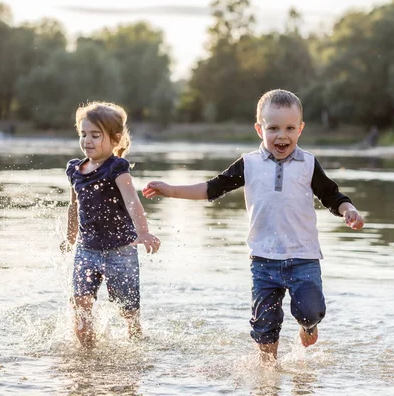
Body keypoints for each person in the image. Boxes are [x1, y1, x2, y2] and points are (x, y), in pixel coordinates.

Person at [142, 89, 363, 360]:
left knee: (310, 310)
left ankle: (308, 326)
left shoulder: (308, 163)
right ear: (260, 129)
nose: (282, 136)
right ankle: (267, 375)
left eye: (290, 128)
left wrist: (348, 209)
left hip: (303, 256)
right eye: (273, 128)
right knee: (264, 325)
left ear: (300, 129)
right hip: (263, 259)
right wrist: (170, 190)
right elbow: (212, 188)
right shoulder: (249, 163)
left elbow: (331, 194)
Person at [62, 101, 161, 348]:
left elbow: (132, 202)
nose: (87, 141)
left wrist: (144, 232)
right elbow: (74, 207)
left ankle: (135, 335)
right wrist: (70, 237)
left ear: (115, 139)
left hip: (121, 250)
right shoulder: (75, 169)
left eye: (96, 135)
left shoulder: (117, 168)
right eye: (83, 134)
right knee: (81, 301)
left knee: (127, 307)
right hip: (87, 249)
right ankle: (87, 352)